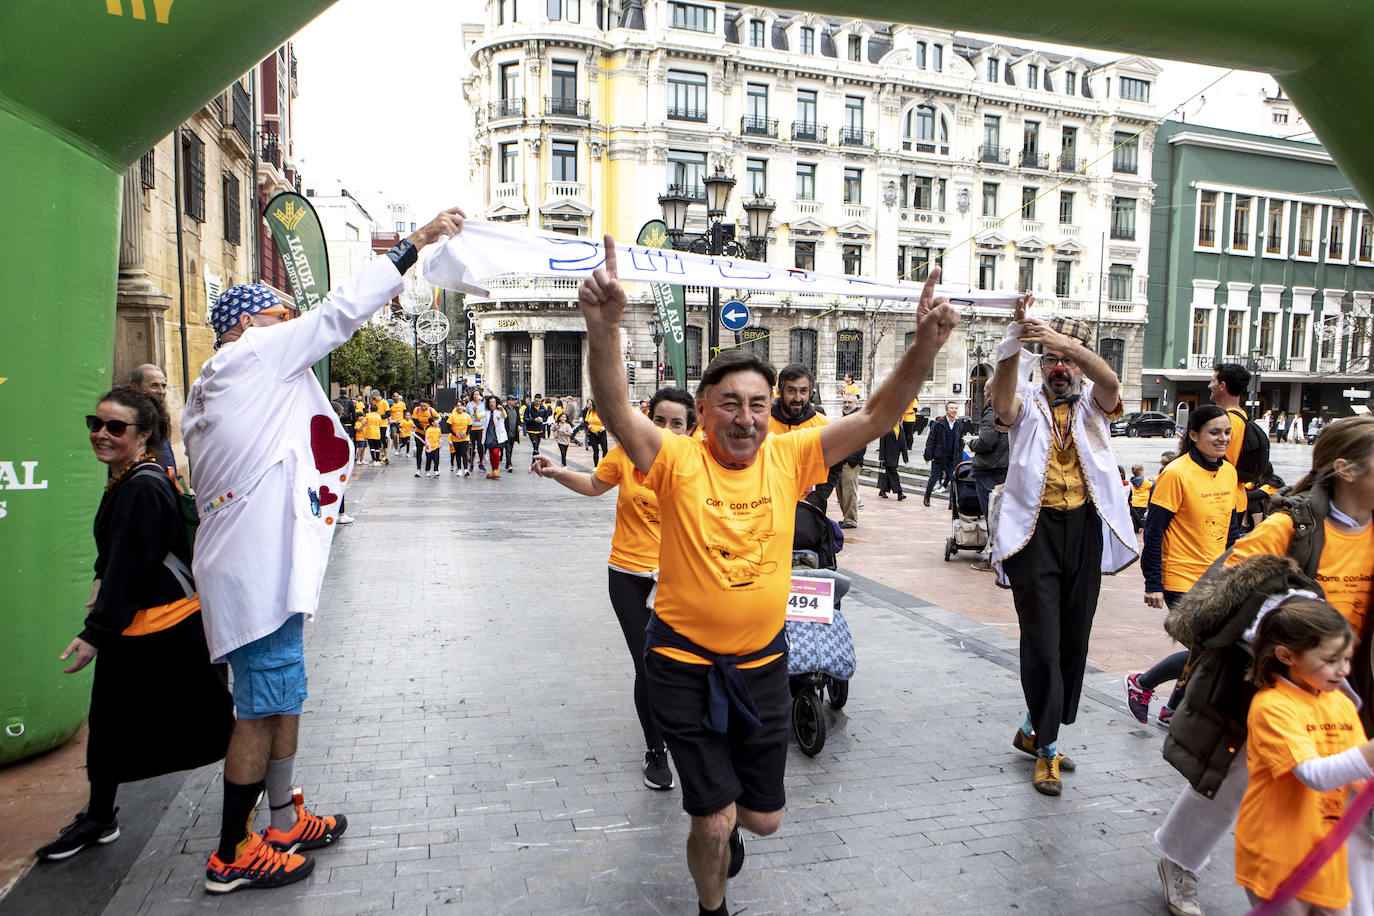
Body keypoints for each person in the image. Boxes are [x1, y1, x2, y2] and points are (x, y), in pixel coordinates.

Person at [575, 234, 958, 916]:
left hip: (762, 665)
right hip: (681, 664)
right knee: (715, 819)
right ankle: (712, 903)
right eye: (729, 404)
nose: (746, 417)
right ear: (702, 414)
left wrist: (924, 346)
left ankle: (723, 843)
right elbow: (616, 412)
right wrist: (603, 330)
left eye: (757, 404)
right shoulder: (676, 458)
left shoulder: (790, 454)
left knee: (761, 821)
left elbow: (877, 416)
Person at [184, 207, 465, 893]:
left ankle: (280, 819)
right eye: (284, 317)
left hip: (264, 570)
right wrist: (416, 244)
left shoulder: (228, 378)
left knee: (283, 698)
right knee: (259, 709)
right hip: (255, 575)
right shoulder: (253, 354)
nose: (295, 330)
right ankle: (229, 853)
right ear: (250, 323)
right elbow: (339, 312)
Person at [1153, 416, 1374, 916]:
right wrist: (1286, 626)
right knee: (1230, 777)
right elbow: (1220, 593)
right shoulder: (1292, 526)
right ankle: (1179, 860)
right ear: (1346, 469)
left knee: (1350, 790)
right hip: (1271, 679)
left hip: (1349, 684)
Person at [37, 387, 233, 862]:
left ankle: (274, 793)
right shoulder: (127, 478)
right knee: (113, 725)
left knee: (218, 726)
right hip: (144, 626)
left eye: (115, 427)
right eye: (96, 423)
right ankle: (100, 816)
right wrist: (102, 580)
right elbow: (120, 556)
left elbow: (132, 561)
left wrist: (94, 634)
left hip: (165, 631)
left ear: (144, 434)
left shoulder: (141, 484)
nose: (101, 434)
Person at [987, 310, 1137, 796]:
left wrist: (1067, 344)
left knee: (1074, 642)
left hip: (1085, 529)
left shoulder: (1096, 403)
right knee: (1044, 645)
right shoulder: (1028, 402)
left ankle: (1034, 727)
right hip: (1035, 536)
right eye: (1050, 358)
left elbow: (1111, 380)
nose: (1059, 367)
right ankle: (1046, 749)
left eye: (1066, 359)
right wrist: (1014, 343)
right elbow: (1002, 403)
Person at [533, 386, 698, 791]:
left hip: (679, 579)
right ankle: (656, 749)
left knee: (679, 663)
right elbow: (593, 485)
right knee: (648, 663)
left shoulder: (698, 463)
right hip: (627, 574)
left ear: (692, 429)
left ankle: (689, 732)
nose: (666, 429)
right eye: (659, 420)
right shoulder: (625, 453)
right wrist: (556, 472)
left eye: (677, 423)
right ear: (646, 420)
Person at [1237, 596, 1370, 915]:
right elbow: (1315, 775)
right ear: (1286, 656)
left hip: (1326, 851)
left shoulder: (1339, 703)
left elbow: (1360, 778)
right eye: (1331, 660)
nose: (1344, 670)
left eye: (1347, 658)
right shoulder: (1272, 707)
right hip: (1276, 857)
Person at [1125, 406, 1245, 726]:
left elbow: (1231, 528)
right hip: (1180, 574)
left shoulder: (1229, 472)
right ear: (1193, 435)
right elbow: (1153, 532)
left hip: (1217, 575)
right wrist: (1153, 582)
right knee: (1206, 648)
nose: (1222, 439)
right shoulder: (1176, 473)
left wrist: (1235, 568)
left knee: (1209, 650)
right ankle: (1143, 683)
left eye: (1226, 432)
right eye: (1214, 432)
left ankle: (1172, 708)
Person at [768, 363, 834, 511]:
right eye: (791, 391)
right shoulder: (763, 422)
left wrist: (816, 499)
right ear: (780, 391)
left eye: (803, 391)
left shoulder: (823, 425)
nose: (798, 398)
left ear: (811, 392)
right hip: (768, 509)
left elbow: (835, 465)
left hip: (808, 510)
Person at [967, 400, 1010, 566]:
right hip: (1004, 467)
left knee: (992, 515)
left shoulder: (993, 410)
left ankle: (994, 558)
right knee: (1000, 514)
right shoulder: (1008, 407)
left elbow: (986, 441)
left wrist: (971, 443)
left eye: (985, 392)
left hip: (990, 468)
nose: (983, 395)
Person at [128, 364, 177, 472]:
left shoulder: (161, 416)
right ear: (135, 386)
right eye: (154, 386)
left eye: (163, 386)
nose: (161, 391)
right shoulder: (129, 418)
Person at [922, 401, 964, 506]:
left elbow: (960, 441)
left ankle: (951, 503)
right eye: (951, 408)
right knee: (933, 478)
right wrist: (928, 455)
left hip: (952, 457)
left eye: (955, 408)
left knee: (953, 479)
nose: (954, 410)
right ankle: (927, 496)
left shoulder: (959, 425)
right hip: (939, 456)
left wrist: (959, 456)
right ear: (946, 410)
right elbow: (931, 440)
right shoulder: (938, 423)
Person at [833, 394, 865, 529]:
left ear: (856, 403)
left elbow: (862, 442)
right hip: (841, 461)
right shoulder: (845, 418)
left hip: (851, 462)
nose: (846, 404)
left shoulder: (859, 420)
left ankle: (851, 519)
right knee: (841, 491)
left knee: (849, 490)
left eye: (850, 402)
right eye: (844, 402)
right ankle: (847, 517)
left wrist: (851, 460)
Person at [875, 423, 906, 500]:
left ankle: (883, 490)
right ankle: (899, 492)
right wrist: (881, 456)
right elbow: (882, 443)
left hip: (895, 456)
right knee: (893, 473)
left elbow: (903, 444)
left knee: (890, 474)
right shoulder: (886, 427)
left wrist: (905, 458)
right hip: (887, 455)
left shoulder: (900, 429)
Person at [481, 394, 508, 478]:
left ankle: (496, 469)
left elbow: (505, 416)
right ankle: (493, 470)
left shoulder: (499, 411)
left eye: (493, 402)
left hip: (498, 436)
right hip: (489, 435)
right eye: (490, 402)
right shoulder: (487, 412)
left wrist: (502, 410)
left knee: (496, 453)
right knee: (491, 454)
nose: (492, 404)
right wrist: (475, 411)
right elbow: (478, 416)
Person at [524, 394, 550, 468]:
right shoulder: (529, 407)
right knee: (535, 445)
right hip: (531, 430)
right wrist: (534, 420)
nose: (538, 403)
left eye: (539, 401)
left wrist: (542, 419)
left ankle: (534, 463)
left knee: (536, 447)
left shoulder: (543, 408)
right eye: (536, 401)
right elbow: (526, 418)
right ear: (534, 400)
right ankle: (537, 463)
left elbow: (546, 417)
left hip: (539, 429)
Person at [466, 389, 488, 472]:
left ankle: (481, 463)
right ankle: (471, 463)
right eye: (474, 394)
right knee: (472, 447)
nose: (476, 396)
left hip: (481, 428)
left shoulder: (483, 404)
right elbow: (467, 415)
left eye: (477, 394)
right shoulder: (469, 405)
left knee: (480, 446)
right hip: (472, 428)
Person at [448, 402, 471, 475]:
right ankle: (459, 469)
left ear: (463, 407)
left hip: (465, 438)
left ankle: (466, 469)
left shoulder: (467, 416)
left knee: (464, 453)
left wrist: (466, 433)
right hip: (456, 438)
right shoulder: (452, 416)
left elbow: (470, 426)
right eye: (457, 406)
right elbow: (448, 426)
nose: (459, 407)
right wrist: (454, 434)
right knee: (457, 453)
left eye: (460, 406)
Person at [1128, 464, 1151, 533]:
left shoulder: (1133, 480)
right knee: (1140, 517)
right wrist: (1152, 480)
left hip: (1135, 501)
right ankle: (1137, 528)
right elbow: (1151, 485)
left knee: (1135, 516)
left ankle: (1135, 526)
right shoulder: (1145, 482)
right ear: (1141, 472)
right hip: (1142, 502)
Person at [583, 398, 607, 465]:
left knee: (604, 449)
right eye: (588, 404)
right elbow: (585, 422)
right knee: (595, 450)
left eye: (590, 404)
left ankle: (604, 465)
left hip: (601, 432)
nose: (588, 405)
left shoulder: (601, 412)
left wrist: (604, 427)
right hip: (592, 433)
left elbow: (608, 421)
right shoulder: (588, 411)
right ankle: (596, 465)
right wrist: (588, 426)